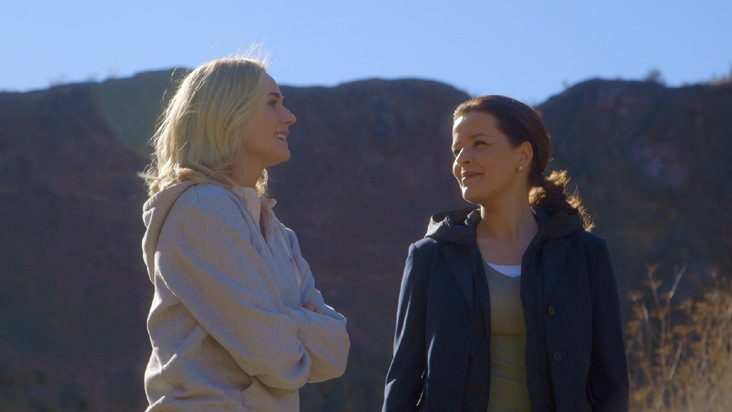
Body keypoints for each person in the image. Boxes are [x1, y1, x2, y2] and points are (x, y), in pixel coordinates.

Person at [382, 95, 628, 411]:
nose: (462, 160)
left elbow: (610, 383)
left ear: (522, 155)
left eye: (479, 144)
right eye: (457, 150)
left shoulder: (585, 254)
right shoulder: (430, 256)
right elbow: (403, 382)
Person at [140, 56, 349, 411]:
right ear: (228, 113)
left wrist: (278, 319)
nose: (290, 117)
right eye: (272, 103)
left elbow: (336, 353)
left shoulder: (279, 233)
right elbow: (276, 357)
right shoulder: (200, 212)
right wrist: (304, 322)